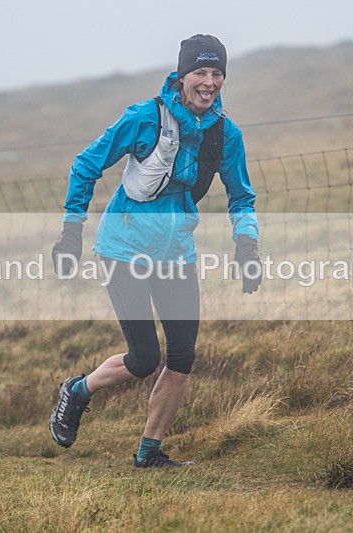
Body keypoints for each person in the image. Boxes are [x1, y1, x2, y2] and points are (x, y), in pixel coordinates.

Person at [49, 34, 261, 468]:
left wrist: (247, 244)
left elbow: (241, 197)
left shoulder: (225, 134)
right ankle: (78, 390)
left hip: (176, 252)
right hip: (124, 248)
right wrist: (72, 231)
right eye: (200, 72)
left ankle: (149, 453)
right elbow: (86, 164)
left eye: (217, 73)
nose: (209, 82)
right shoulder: (144, 118)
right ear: (182, 76)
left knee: (182, 356)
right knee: (144, 358)